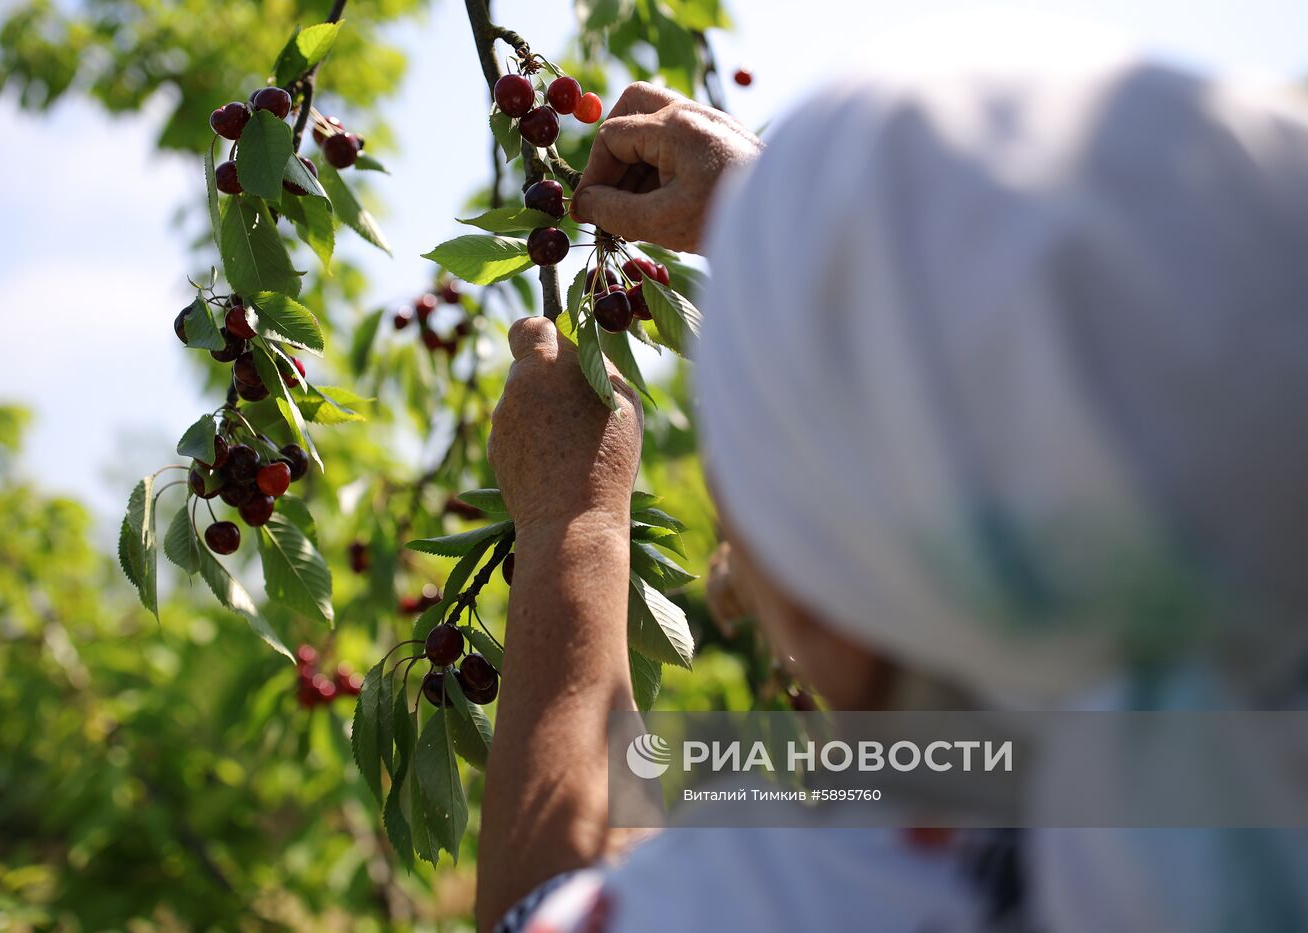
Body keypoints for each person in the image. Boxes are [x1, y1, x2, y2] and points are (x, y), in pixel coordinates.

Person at [473, 26, 1308, 933]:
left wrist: (573, 526)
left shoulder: (819, 902)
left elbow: (544, 908)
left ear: (834, 623)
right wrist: (813, 231)